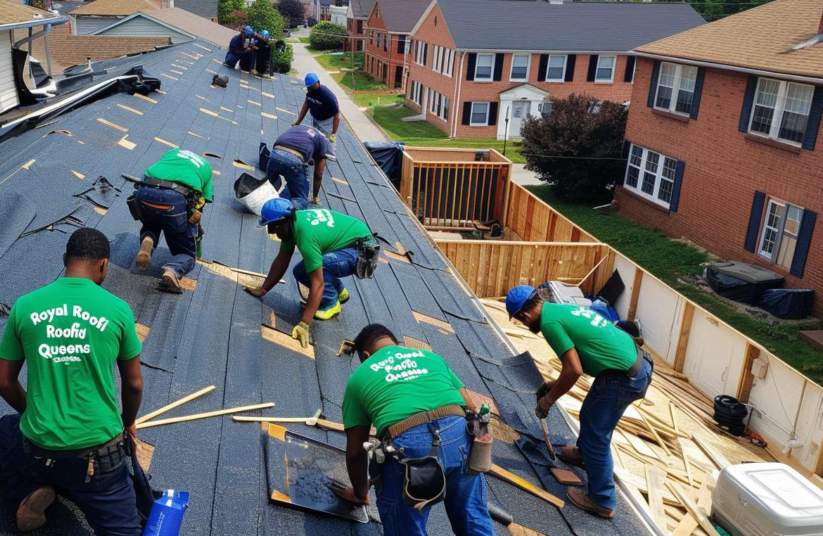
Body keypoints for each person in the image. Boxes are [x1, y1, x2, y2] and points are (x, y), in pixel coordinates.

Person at [0, 228, 145, 534]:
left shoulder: (25, 305)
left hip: (38, 451)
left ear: (65, 259)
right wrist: (128, 422)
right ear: (103, 265)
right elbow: (134, 384)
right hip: (99, 461)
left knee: (6, 430)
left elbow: (2, 382)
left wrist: (31, 410)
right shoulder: (118, 310)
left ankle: (27, 490)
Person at [332, 323, 494, 535]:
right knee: (472, 515)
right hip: (459, 433)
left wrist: (361, 493)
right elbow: (469, 406)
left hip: (408, 446)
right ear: (397, 344)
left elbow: (355, 453)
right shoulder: (431, 357)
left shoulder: (359, 377)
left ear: (365, 355)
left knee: (405, 525)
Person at [505, 285, 652, 518]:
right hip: (635, 365)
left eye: (521, 321)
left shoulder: (549, 324)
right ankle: (584, 454)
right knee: (590, 415)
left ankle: (602, 500)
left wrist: (547, 402)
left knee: (596, 431)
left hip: (623, 377)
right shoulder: (560, 310)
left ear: (524, 315)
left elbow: (574, 370)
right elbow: (577, 363)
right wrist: (554, 384)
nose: (524, 325)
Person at [244, 199, 375, 346]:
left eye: (273, 228)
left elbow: (317, 283)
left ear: (283, 222)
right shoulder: (291, 224)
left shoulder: (305, 234)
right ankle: (339, 291)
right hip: (349, 244)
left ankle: (331, 303)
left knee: (321, 267)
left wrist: (304, 323)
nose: (272, 233)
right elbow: (282, 260)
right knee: (300, 271)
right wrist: (264, 289)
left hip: (361, 250)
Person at [131, 148, 214, 293]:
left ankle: (148, 240)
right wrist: (195, 231)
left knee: (153, 218)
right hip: (174, 199)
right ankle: (172, 270)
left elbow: (145, 176)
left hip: (144, 193)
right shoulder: (206, 167)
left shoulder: (172, 152)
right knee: (187, 254)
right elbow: (199, 207)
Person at [265, 125, 331, 210]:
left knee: (266, 188)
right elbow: (319, 173)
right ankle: (286, 216)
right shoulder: (323, 141)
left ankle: (261, 204)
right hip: (294, 160)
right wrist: (315, 197)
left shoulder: (299, 128)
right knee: (301, 200)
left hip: (275, 155)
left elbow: (295, 145)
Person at [294, 72, 340, 149]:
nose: (311, 88)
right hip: (315, 118)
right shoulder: (310, 92)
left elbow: (337, 113)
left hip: (327, 122)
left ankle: (329, 157)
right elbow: (305, 106)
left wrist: (333, 132)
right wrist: (298, 122)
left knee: (328, 145)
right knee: (313, 140)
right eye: (309, 87)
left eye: (313, 86)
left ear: (318, 82)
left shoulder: (326, 95)